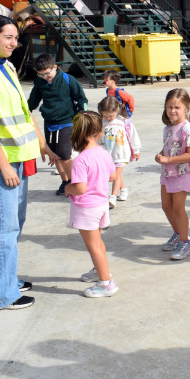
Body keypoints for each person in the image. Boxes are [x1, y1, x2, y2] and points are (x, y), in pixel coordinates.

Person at [0, 15, 57, 310]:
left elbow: (24, 110)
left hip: (19, 156)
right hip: (0, 161)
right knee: (2, 226)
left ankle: (4, 279)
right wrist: (3, 164)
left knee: (13, 225)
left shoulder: (6, 66)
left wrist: (42, 144)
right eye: (8, 37)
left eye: (16, 38)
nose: (14, 43)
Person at [65, 111, 120, 298]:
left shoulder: (81, 160)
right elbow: (113, 176)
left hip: (86, 207)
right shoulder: (103, 153)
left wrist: (67, 189)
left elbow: (80, 188)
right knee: (98, 242)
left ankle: (106, 283)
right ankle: (100, 271)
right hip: (102, 204)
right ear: (99, 132)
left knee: (93, 246)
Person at [27, 53, 88, 196]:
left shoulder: (68, 79)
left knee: (65, 155)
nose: (45, 77)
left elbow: (81, 99)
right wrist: (24, 110)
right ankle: (65, 181)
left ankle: (77, 184)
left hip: (67, 122)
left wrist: (83, 115)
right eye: (41, 75)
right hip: (49, 122)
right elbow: (32, 102)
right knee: (54, 155)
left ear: (55, 67)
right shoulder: (40, 82)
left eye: (47, 73)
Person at [155, 88, 190, 261]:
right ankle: (178, 233)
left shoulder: (188, 128)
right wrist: (161, 155)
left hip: (182, 173)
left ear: (186, 108)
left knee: (178, 208)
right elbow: (169, 147)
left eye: (177, 108)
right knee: (166, 206)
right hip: (167, 173)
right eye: (169, 107)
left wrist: (167, 160)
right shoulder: (168, 128)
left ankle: (185, 242)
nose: (172, 111)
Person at [97, 96, 141, 208]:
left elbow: (133, 136)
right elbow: (98, 138)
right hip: (107, 154)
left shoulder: (124, 122)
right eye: (105, 115)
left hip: (121, 153)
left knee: (116, 174)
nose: (108, 118)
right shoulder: (101, 123)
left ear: (117, 110)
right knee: (117, 174)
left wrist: (136, 150)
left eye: (111, 115)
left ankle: (112, 197)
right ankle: (123, 190)